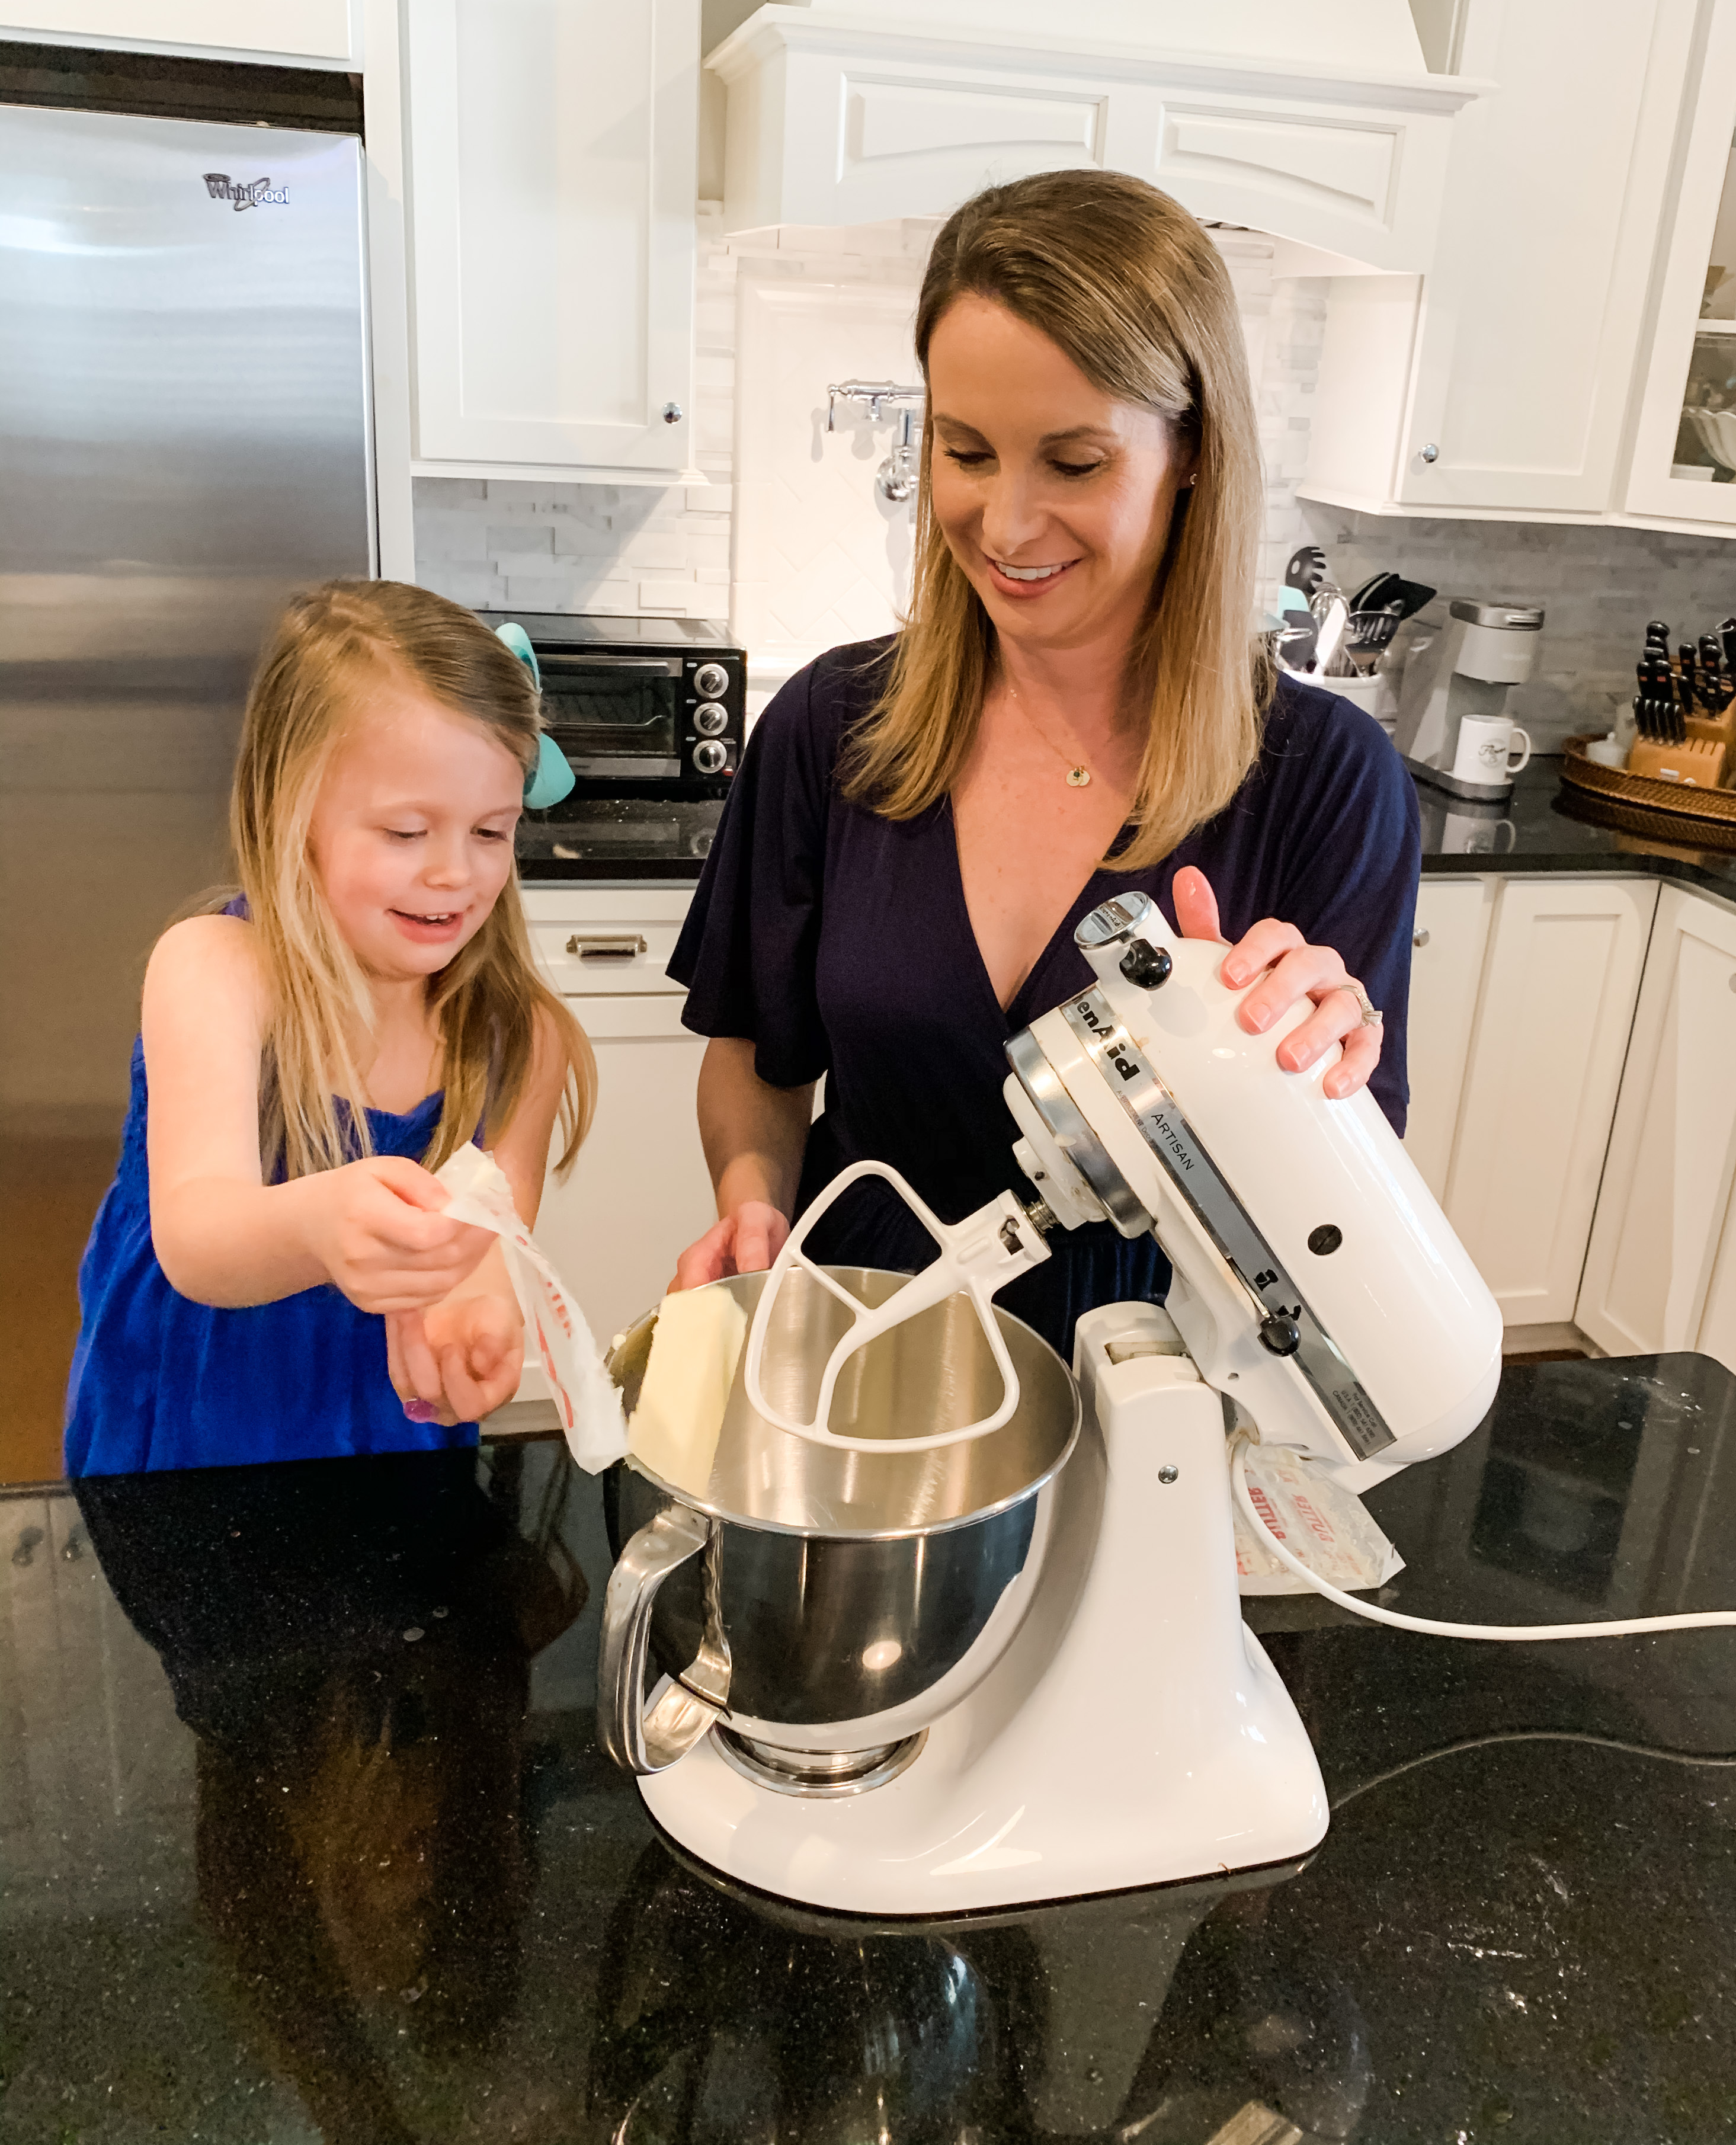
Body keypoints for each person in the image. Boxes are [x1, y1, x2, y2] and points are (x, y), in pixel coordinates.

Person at [667, 169, 1420, 1353]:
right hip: (862, 1354)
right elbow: (758, 1069)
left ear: (1192, 455)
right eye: (966, 451)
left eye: (1073, 463)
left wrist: (1303, 1061)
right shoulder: (831, 728)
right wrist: (751, 1206)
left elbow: (1342, 1227)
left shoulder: (1327, 780)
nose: (1007, 527)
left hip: (1163, 1395)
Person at [65, 580, 598, 1474]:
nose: (453, 874)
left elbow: (489, 1251)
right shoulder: (217, 971)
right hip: (190, 1439)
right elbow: (197, 1238)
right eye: (404, 831)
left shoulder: (520, 1037)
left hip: (388, 1446)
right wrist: (319, 1226)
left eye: (491, 832)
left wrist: (478, 1316)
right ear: (292, 810)